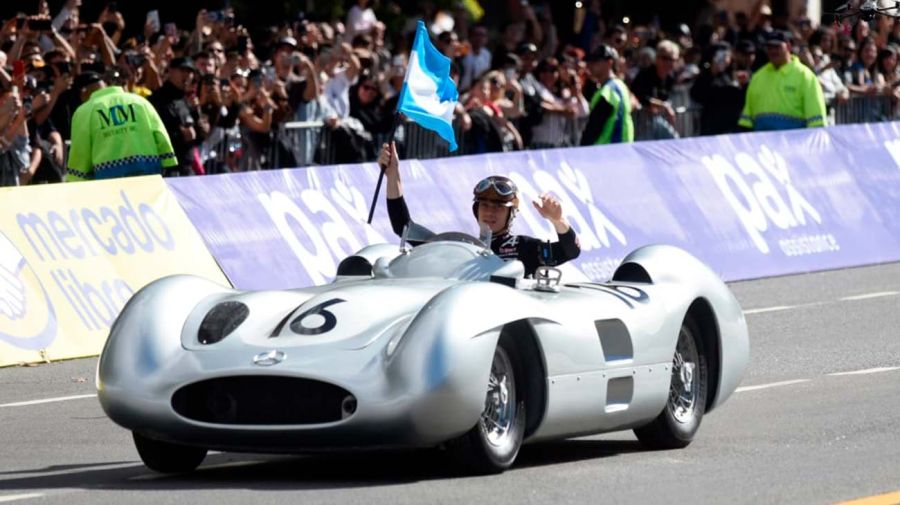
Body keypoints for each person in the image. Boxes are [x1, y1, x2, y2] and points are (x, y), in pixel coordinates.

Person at [377, 141, 580, 277]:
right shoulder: (456, 246)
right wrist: (393, 175)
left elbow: (570, 251)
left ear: (511, 213)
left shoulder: (524, 247)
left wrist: (558, 221)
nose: (490, 212)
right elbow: (403, 227)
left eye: (499, 207)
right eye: (484, 205)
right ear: (476, 209)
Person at [65, 71, 177, 181]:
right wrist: (168, 165)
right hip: (149, 174)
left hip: (108, 181)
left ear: (83, 91)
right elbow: (160, 134)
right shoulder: (140, 101)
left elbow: (80, 152)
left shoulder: (84, 111)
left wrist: (76, 179)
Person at [739, 30, 827, 131]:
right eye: (769, 47)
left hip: (794, 143)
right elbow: (747, 121)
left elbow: (817, 122)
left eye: (777, 47)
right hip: (762, 143)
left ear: (789, 47)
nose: (773, 51)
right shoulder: (758, 77)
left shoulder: (806, 77)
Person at [580, 45, 634, 145]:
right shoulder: (620, 86)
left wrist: (582, 150)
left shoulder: (608, 91)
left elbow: (594, 128)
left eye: (596, 61)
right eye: (590, 61)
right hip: (621, 151)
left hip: (607, 153)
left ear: (609, 63)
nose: (590, 65)